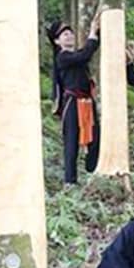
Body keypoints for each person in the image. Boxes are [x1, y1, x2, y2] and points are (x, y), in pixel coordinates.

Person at [46, 13, 101, 185]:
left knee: (95, 137)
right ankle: (70, 181)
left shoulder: (76, 56)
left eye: (70, 33)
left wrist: (96, 32)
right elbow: (85, 54)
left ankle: (93, 172)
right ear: (57, 41)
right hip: (72, 103)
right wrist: (92, 33)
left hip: (87, 102)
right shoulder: (62, 57)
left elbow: (87, 51)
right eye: (65, 34)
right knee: (71, 141)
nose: (69, 35)